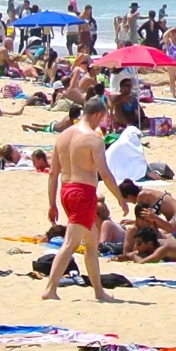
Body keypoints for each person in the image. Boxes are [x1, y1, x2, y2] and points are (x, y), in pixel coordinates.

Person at [44, 96, 122, 302]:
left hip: (65, 190)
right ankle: (50, 288)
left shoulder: (63, 136)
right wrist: (120, 198)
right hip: (83, 193)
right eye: (102, 118)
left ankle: (99, 291)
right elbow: (104, 173)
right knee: (70, 243)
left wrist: (52, 203)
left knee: (91, 242)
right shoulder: (93, 138)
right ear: (97, 114)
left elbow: (53, 174)